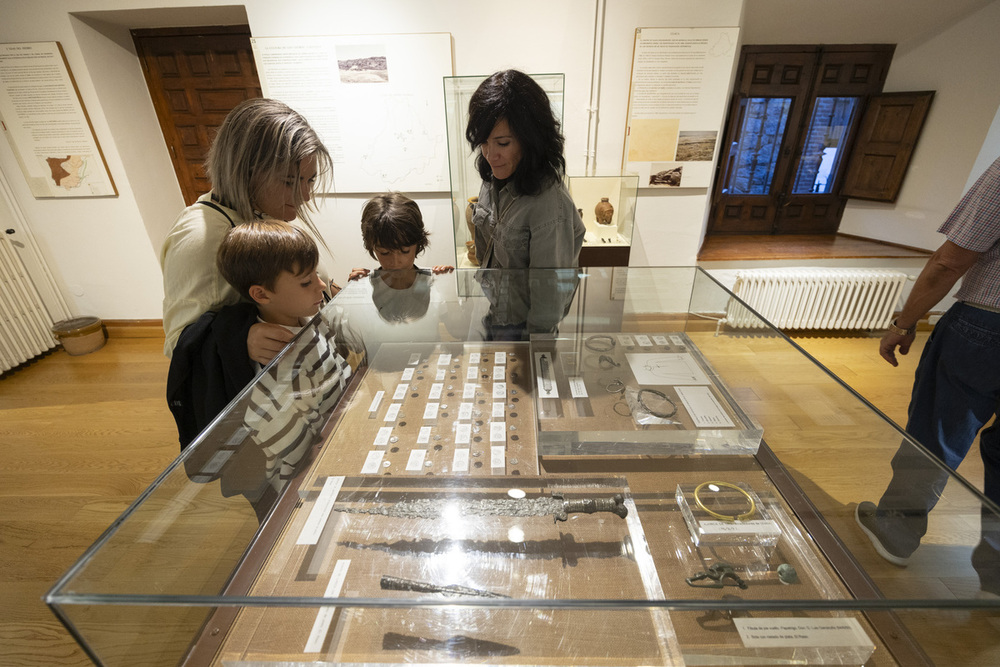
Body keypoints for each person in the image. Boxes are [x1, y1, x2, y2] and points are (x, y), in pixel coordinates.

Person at [856, 155, 1000, 592]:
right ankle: (997, 572)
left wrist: (904, 322)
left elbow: (950, 261)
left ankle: (896, 530)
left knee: (938, 432)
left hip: (987, 324)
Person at [168, 220, 352, 517]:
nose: (321, 285)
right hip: (312, 479)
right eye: (306, 282)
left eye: (316, 275)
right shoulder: (279, 365)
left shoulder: (306, 318)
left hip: (341, 439)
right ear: (262, 295)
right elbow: (294, 452)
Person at [160, 98, 338, 365]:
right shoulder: (202, 239)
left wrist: (328, 289)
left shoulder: (265, 209)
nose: (306, 196)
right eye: (289, 181)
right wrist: (242, 338)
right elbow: (179, 346)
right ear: (246, 172)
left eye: (310, 180)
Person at [465, 69, 585, 268]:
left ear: (531, 139)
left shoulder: (549, 205)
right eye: (483, 142)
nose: (490, 155)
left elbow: (548, 295)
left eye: (503, 143)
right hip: (497, 297)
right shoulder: (493, 178)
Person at [349, 192, 454, 322]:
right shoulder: (366, 288)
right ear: (372, 247)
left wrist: (450, 286)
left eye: (405, 251)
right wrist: (353, 293)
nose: (395, 262)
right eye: (384, 253)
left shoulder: (433, 284)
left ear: (418, 244)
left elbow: (456, 330)